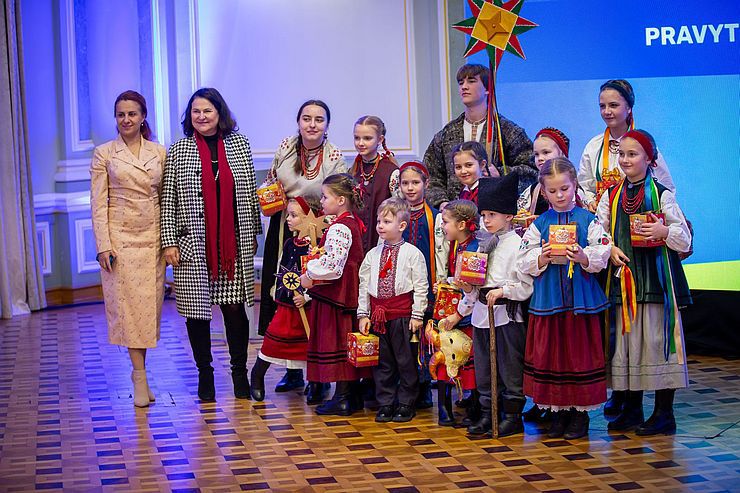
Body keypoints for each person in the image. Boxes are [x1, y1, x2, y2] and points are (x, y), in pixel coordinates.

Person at [160, 87, 262, 402]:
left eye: (207, 111)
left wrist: (254, 233)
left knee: (235, 311)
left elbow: (250, 192)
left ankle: (239, 373)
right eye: (196, 111)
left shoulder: (239, 144)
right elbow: (168, 200)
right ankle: (205, 373)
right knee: (197, 313)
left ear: (219, 113)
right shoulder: (179, 150)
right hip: (193, 244)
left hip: (233, 244)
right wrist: (169, 242)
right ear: (189, 116)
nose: (202, 116)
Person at [596, 130, 691, 435]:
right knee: (628, 346)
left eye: (633, 154)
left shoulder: (662, 194)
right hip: (624, 283)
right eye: (622, 154)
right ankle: (632, 409)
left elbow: (684, 238)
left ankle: (664, 414)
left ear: (649, 159)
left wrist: (664, 232)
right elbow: (598, 232)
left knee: (658, 344)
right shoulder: (611, 196)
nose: (625, 160)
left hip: (656, 283)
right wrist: (609, 247)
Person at [517, 158, 612, 440]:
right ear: (544, 192)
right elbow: (523, 258)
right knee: (553, 355)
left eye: (564, 189)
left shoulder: (588, 220)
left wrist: (584, 256)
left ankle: (579, 415)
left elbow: (603, 250)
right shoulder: (539, 224)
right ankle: (557, 413)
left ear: (575, 186)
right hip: (549, 301)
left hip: (580, 301)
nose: (559, 195)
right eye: (553, 191)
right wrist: (541, 256)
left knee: (578, 355)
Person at [259, 100, 346, 397]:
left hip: (318, 231)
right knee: (286, 293)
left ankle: (318, 375)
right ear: (298, 122)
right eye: (306, 118)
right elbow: (272, 180)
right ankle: (292, 371)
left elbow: (340, 195)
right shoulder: (286, 147)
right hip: (285, 228)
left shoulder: (333, 156)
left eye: (319, 119)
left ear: (327, 125)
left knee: (311, 297)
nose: (312, 124)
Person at [90, 90, 166, 408]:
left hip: (153, 239)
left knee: (147, 312)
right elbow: (98, 203)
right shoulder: (104, 154)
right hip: (120, 241)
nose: (126, 120)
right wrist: (103, 245)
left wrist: (169, 241)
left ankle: (142, 373)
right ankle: (139, 376)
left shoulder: (159, 152)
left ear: (143, 116)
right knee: (129, 311)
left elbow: (167, 199)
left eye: (132, 114)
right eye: (120, 114)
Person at [457, 174, 533, 437]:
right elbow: (476, 284)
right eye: (484, 215)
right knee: (484, 368)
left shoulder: (519, 245)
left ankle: (512, 416)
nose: (486, 220)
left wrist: (504, 291)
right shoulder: (483, 245)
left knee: (509, 368)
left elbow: (526, 285)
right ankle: (489, 413)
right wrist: (468, 287)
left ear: (509, 216)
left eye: (492, 215)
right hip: (481, 314)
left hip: (506, 316)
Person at [299, 173, 370, 416]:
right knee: (345, 342)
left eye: (325, 196)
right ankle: (351, 396)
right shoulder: (350, 222)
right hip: (345, 294)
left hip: (337, 296)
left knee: (339, 342)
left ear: (341, 200)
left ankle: (342, 398)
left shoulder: (340, 227)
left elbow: (333, 265)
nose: (321, 201)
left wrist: (309, 273)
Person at [423, 63, 535, 206]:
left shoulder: (507, 131)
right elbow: (431, 174)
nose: (464, 87)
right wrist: (442, 203)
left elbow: (532, 171)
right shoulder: (447, 134)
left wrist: (501, 173)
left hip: (495, 211)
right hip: (454, 212)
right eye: (461, 82)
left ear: (487, 89)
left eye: (471, 81)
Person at [358, 198, 428, 423]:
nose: (380, 225)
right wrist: (363, 314)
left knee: (405, 361)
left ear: (402, 226)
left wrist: (417, 314)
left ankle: (406, 402)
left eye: (386, 221)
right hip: (378, 317)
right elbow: (364, 286)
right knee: (383, 362)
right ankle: (386, 402)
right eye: (379, 221)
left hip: (402, 316)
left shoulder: (413, 253)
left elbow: (421, 286)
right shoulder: (372, 255)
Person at [250, 196, 321, 402]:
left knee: (310, 344)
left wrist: (307, 297)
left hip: (306, 306)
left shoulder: (316, 247)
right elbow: (281, 268)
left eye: (293, 215)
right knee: (273, 340)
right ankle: (257, 375)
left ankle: (317, 382)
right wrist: (277, 291)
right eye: (288, 215)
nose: (287, 219)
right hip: (286, 304)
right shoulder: (290, 243)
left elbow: (319, 277)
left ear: (309, 219)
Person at [578, 79, 674, 212]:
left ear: (629, 108)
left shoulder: (643, 144)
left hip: (639, 218)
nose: (606, 111)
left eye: (613, 105)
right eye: (602, 106)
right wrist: (590, 201)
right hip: (602, 217)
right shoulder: (593, 146)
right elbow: (584, 186)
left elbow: (666, 187)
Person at [399, 161, 449, 408]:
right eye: (405, 183)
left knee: (427, 337)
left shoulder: (436, 218)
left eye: (415, 183)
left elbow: (442, 252)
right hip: (403, 287)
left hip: (428, 286)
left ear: (426, 184)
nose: (410, 188)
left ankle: (425, 387)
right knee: (406, 339)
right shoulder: (397, 216)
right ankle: (409, 387)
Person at [434, 200, 480, 426]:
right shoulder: (455, 245)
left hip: (467, 312)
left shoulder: (474, 248)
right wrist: (446, 285)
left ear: (461, 225)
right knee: (446, 354)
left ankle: (475, 406)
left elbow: (472, 285)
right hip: (455, 307)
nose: (442, 226)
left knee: (466, 356)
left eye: (445, 222)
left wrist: (459, 311)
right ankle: (444, 407)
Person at [351, 115, 401, 252]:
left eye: (367, 138)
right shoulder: (353, 170)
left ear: (380, 139)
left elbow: (399, 209)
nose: (361, 143)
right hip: (356, 237)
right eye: (357, 138)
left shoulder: (391, 171)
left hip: (382, 237)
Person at [517, 127, 570, 216]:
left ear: (562, 154)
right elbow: (519, 215)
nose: (540, 158)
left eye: (546, 152)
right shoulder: (532, 191)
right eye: (536, 154)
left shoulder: (574, 188)